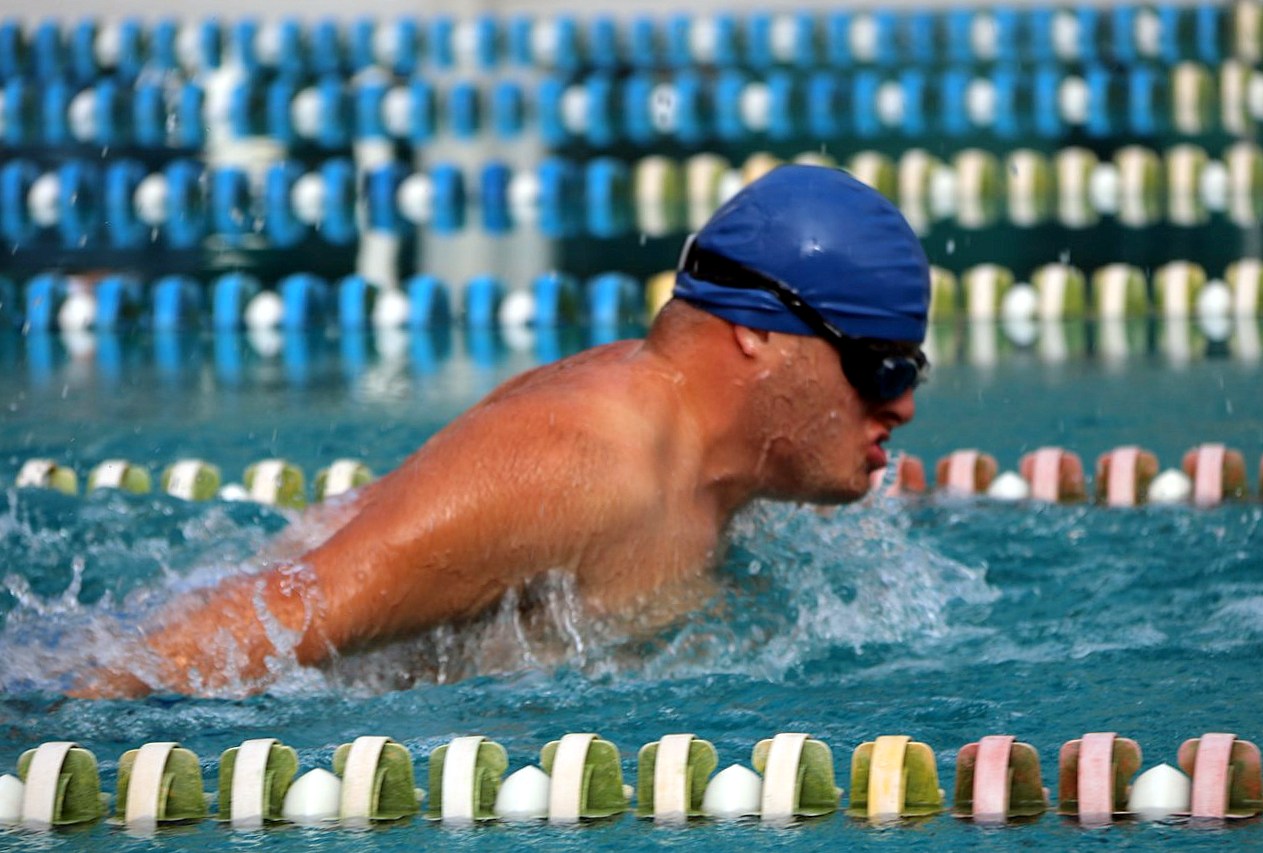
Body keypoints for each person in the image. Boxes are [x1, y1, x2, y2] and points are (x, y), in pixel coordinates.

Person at [78, 164, 931, 697]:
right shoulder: (585, 462)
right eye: (882, 368)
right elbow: (287, 610)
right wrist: (63, 735)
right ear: (759, 334)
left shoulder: (711, 455)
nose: (902, 408)